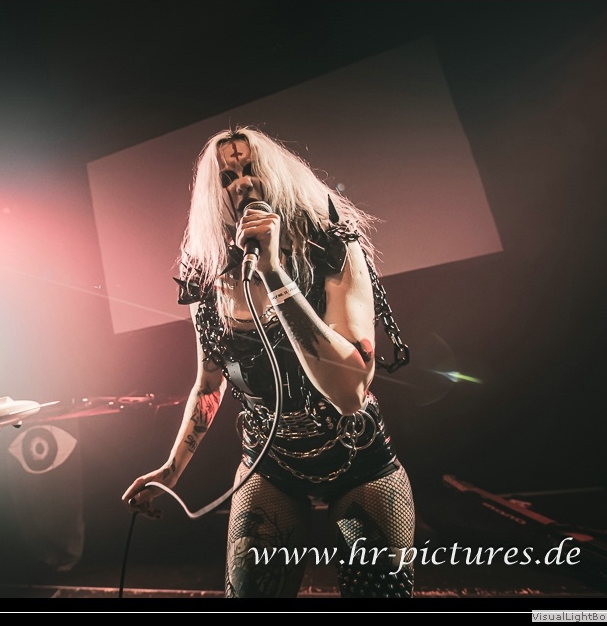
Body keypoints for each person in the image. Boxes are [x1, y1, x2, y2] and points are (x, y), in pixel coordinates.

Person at [121, 126, 416, 598]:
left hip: (357, 458)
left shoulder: (330, 244)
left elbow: (349, 392)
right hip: (270, 462)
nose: (242, 184)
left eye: (251, 169)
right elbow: (209, 384)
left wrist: (276, 274)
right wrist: (170, 472)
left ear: (276, 174)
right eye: (228, 177)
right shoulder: (208, 272)